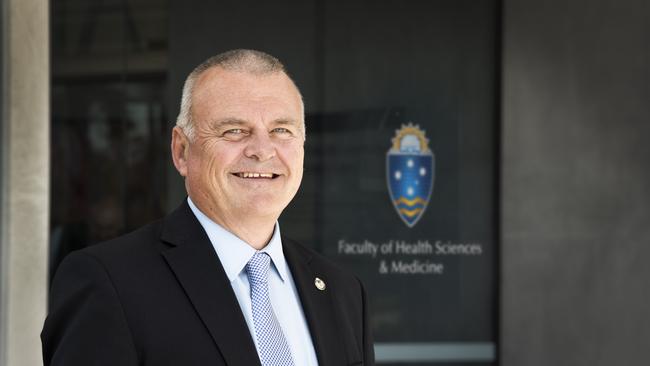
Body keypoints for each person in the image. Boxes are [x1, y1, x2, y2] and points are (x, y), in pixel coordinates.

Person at [41, 49, 375, 366]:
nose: (262, 150)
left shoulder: (342, 291)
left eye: (281, 130)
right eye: (234, 131)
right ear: (182, 151)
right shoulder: (107, 282)